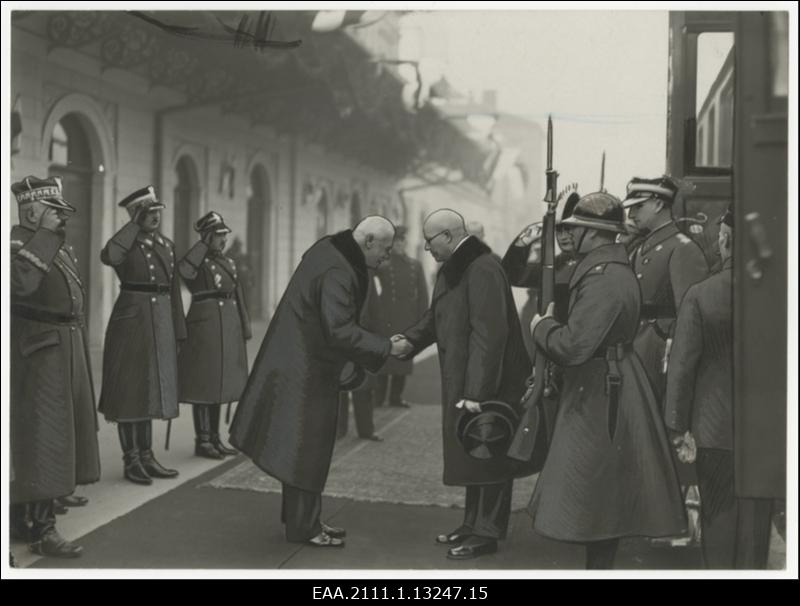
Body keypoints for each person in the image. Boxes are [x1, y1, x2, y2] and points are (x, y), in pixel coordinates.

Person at [527, 192, 686, 569]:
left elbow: (574, 346)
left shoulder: (603, 278)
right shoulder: (608, 270)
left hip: (602, 390)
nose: (569, 236)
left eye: (576, 229)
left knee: (597, 491)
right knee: (600, 492)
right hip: (605, 381)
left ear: (593, 234)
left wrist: (542, 327)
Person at [229, 216, 409, 548]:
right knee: (308, 448)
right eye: (383, 251)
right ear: (368, 241)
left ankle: (302, 520)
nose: (385, 258)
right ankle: (305, 529)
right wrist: (386, 347)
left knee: (299, 447)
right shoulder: (339, 270)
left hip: (300, 361)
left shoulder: (330, 248)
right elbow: (339, 329)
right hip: (308, 368)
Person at [398, 209, 533, 561]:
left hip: (489, 384)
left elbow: (491, 334)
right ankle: (472, 523)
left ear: (449, 236)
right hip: (467, 379)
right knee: (473, 451)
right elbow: (436, 317)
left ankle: (486, 533)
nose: (426, 248)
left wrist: (477, 392)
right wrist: (409, 341)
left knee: (490, 453)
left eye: (429, 241)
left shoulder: (483, 267)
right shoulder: (458, 267)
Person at [665, 207, 773, 568]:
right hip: (765, 430)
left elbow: (681, 368)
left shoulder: (701, 295)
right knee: (757, 519)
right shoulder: (780, 293)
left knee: (719, 516)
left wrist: (677, 427)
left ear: (725, 242)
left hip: (713, 429)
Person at [10, 176, 101, 557]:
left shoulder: (55, 245)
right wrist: (44, 237)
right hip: (38, 352)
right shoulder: (18, 245)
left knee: (60, 435)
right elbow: (20, 286)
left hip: (63, 347)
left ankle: (26, 516)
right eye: (54, 212)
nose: (62, 219)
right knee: (43, 439)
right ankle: (42, 531)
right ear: (32, 212)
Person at [623, 175, 709, 544]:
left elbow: (691, 313)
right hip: (638, 348)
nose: (632, 214)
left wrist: (668, 347)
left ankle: (679, 522)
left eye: (638, 207)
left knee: (667, 429)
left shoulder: (682, 247)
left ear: (658, 205)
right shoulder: (642, 246)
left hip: (662, 350)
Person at [99, 186, 186, 485]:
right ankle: (131, 460)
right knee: (130, 390)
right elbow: (108, 256)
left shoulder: (167, 245)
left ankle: (147, 456)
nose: (155, 217)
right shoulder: (126, 244)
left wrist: (179, 332)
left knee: (150, 389)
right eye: (148, 213)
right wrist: (132, 226)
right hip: (132, 322)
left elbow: (173, 291)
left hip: (160, 322)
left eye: (157, 211)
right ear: (137, 216)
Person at [178, 212, 251, 459]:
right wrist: (202, 245)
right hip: (204, 327)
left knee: (220, 383)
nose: (223, 240)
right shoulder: (196, 261)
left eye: (224, 235)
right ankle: (203, 440)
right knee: (204, 384)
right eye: (218, 236)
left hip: (227, 328)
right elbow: (184, 272)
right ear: (208, 237)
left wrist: (244, 327)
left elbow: (238, 296)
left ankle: (216, 438)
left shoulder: (228, 263)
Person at [357, 225, 429, 411]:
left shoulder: (415, 265)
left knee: (403, 356)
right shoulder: (382, 263)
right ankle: (379, 398)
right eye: (396, 241)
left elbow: (422, 294)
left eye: (402, 241)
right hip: (385, 316)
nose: (400, 244)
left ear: (406, 243)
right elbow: (366, 276)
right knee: (385, 356)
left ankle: (396, 397)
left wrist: (423, 320)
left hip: (408, 317)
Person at [502, 191, 581, 357]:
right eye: (558, 230)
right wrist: (527, 236)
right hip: (552, 350)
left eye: (570, 229)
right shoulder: (558, 263)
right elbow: (511, 273)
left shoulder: (594, 262)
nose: (564, 236)